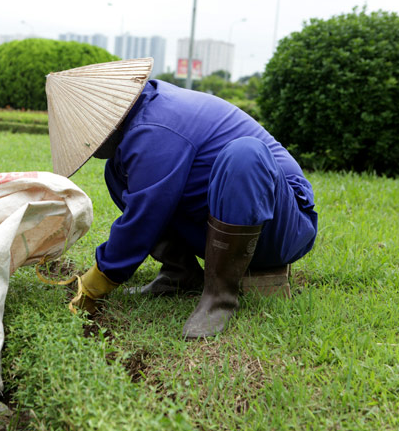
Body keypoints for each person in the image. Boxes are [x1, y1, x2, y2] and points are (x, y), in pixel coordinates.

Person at [45, 58, 318, 338]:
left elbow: (145, 213)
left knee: (245, 154)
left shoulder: (157, 125)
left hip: (282, 224)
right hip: (221, 220)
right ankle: (180, 274)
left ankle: (219, 296)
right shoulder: (142, 117)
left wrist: (99, 280)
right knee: (117, 172)